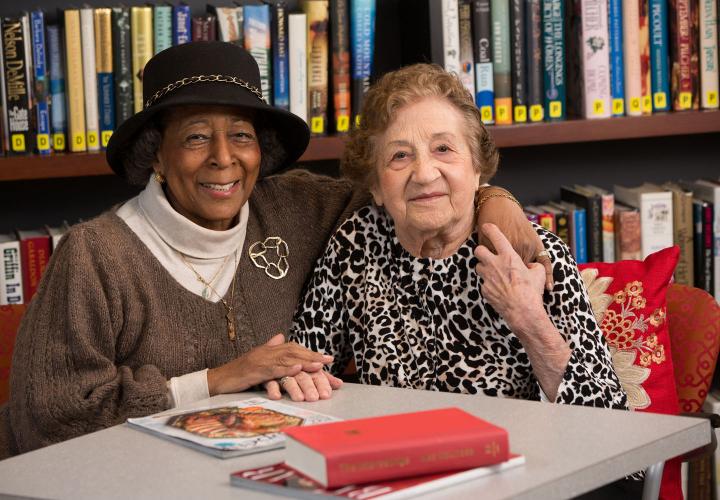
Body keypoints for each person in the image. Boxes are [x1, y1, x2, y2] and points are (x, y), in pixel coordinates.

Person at [0, 42, 544, 458]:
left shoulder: (293, 207)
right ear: (155, 157)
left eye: (240, 135)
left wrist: (495, 198)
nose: (222, 158)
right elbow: (47, 418)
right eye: (195, 137)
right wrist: (217, 381)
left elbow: (410, 190)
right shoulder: (96, 255)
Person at [285, 64, 628, 410]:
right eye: (400, 156)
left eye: (443, 149)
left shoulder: (530, 254)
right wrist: (299, 377)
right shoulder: (356, 244)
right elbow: (307, 366)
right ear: (375, 185)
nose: (423, 173)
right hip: (398, 455)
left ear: (478, 167)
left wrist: (529, 318)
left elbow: (615, 432)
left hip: (515, 456)